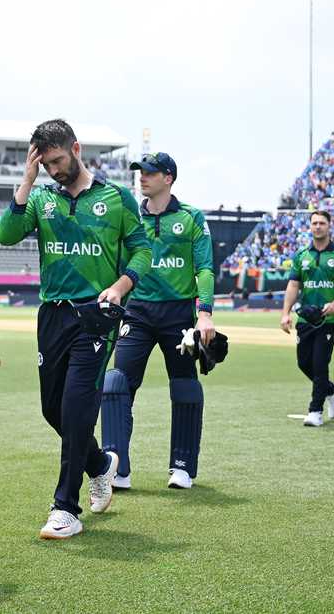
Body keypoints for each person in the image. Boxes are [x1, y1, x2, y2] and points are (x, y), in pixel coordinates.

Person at [0, 119, 151, 539]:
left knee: (79, 406)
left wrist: (120, 287)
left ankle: (65, 507)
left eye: (58, 160)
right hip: (52, 315)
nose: (53, 170)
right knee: (54, 410)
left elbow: (141, 251)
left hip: (96, 314)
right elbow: (6, 236)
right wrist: (27, 182)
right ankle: (100, 464)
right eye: (45, 164)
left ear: (77, 149)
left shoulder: (116, 198)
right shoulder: (41, 198)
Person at [100, 152, 215, 490]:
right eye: (140, 172)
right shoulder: (130, 217)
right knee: (116, 384)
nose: (142, 177)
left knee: (184, 386)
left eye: (150, 173)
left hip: (178, 313)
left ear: (168, 177)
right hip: (136, 311)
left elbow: (205, 267)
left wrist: (205, 313)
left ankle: (182, 466)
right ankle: (117, 467)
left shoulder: (192, 217)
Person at [279, 210, 334, 426]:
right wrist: (285, 313)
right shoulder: (302, 256)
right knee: (304, 363)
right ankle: (332, 389)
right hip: (306, 319)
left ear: (329, 226)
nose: (318, 226)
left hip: (328, 320)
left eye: (322, 223)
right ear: (310, 227)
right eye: (314, 223)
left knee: (320, 363)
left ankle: (315, 411)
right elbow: (294, 285)